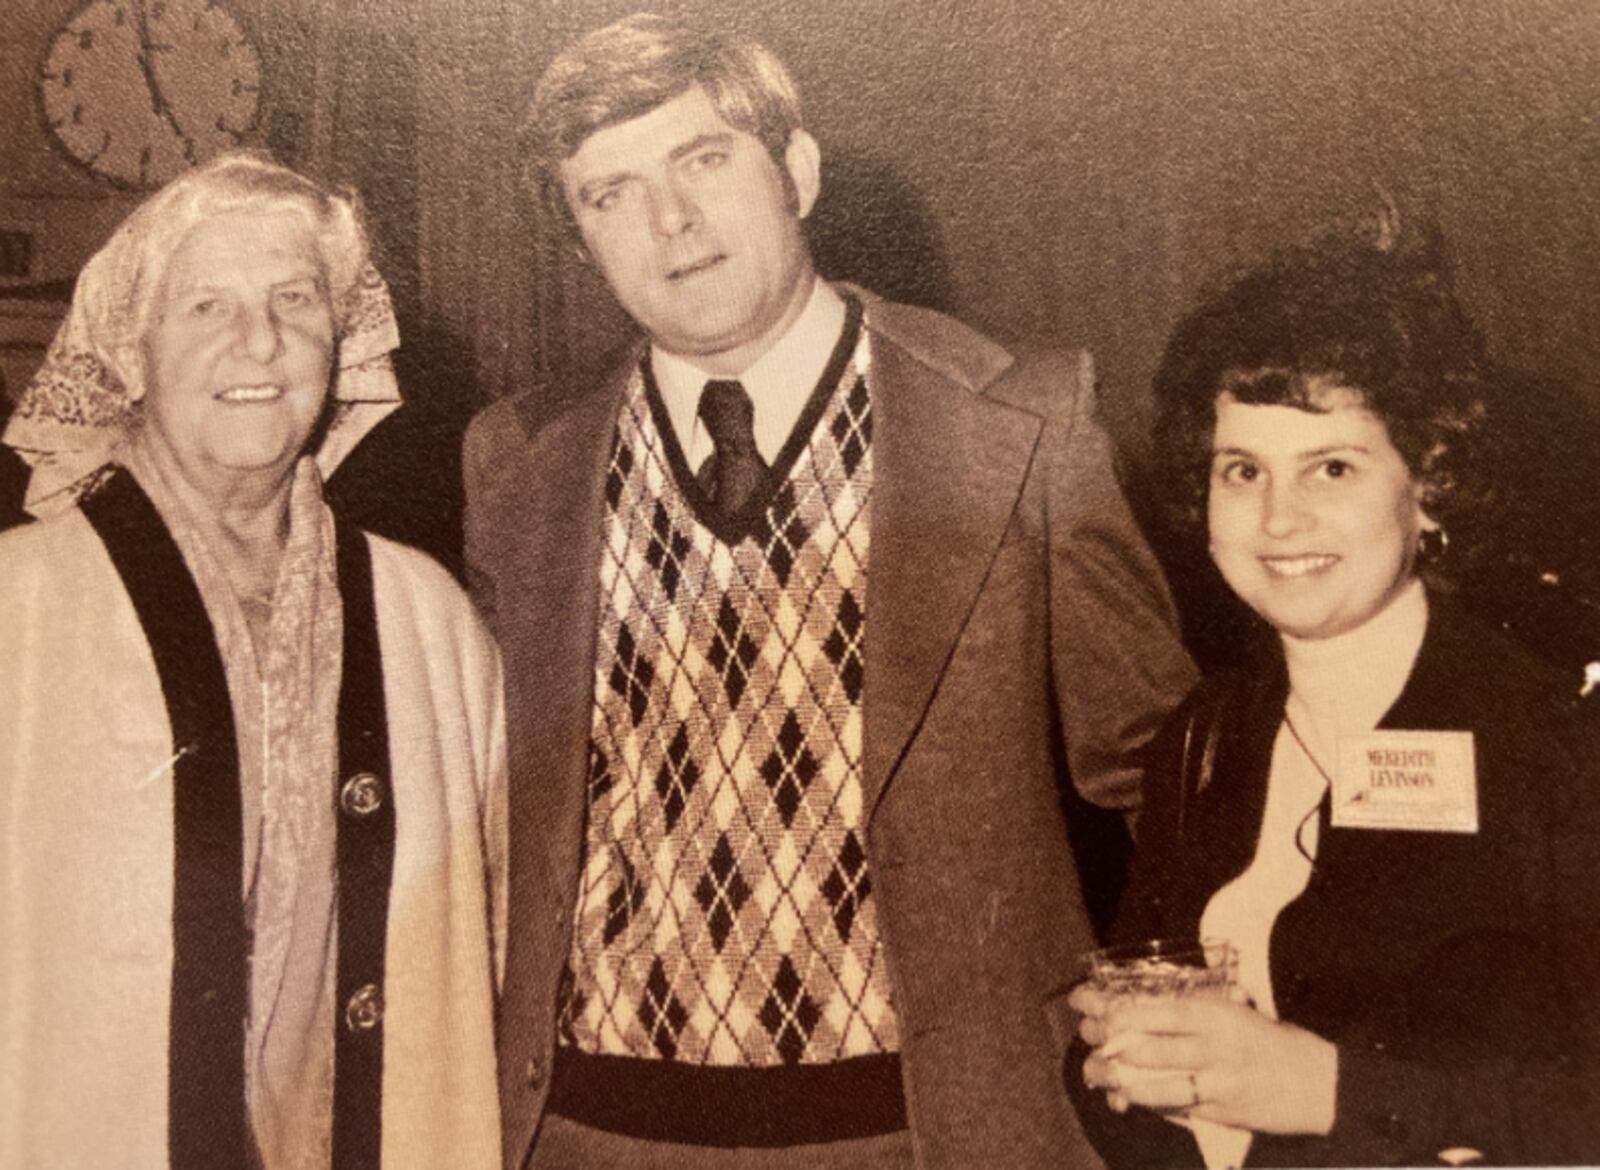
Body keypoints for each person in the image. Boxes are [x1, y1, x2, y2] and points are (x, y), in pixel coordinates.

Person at [464, 13, 1196, 1169]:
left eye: (704, 160)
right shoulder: (516, 462)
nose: (672, 222)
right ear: (581, 238)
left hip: (926, 1132)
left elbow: (1171, 778)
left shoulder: (1017, 424)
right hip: (588, 1133)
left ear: (796, 171)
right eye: (611, 193)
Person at [0, 151, 505, 1169]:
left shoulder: (430, 622)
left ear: (344, 339)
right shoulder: (21, 608)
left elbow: (487, 954)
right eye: (205, 307)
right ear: (130, 347)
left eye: (294, 298)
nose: (259, 341)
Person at [1066, 223, 1600, 1167]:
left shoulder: (1557, 740)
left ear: (1428, 486)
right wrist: (1118, 1057)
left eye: (1333, 467)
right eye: (1244, 471)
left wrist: (1326, 1092)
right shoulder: (1207, 737)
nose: (1279, 518)